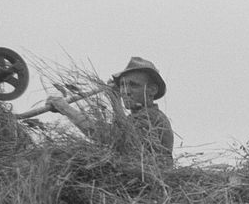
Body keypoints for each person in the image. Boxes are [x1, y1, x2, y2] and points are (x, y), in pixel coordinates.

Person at [46, 56, 175, 164]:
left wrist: (66, 108)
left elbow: (111, 137)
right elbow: (116, 133)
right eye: (122, 85)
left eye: (133, 85)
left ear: (152, 90)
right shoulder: (134, 118)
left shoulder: (152, 117)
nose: (126, 91)